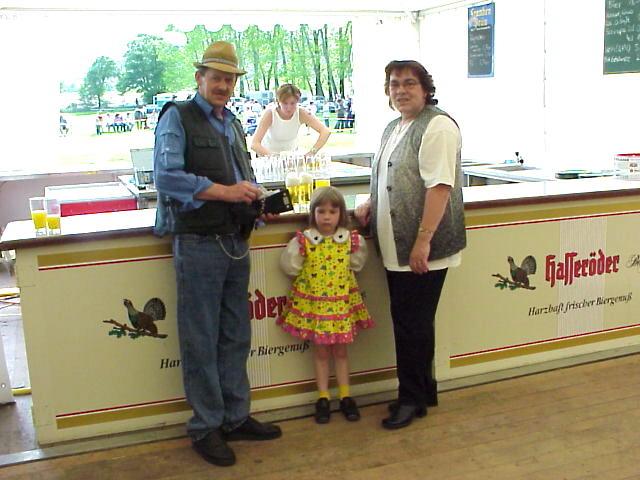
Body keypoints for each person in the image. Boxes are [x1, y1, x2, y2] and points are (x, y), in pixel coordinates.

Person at [153, 40, 282, 467]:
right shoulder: (177, 117)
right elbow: (166, 177)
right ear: (200, 78)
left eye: (229, 79)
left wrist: (255, 201)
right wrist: (228, 192)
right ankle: (205, 426)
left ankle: (234, 417)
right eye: (216, 78)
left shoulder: (233, 123)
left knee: (235, 335)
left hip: (235, 241)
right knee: (201, 338)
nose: (223, 85)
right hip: (198, 242)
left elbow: (241, 176)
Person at [355, 60, 466, 430]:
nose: (400, 90)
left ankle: (410, 398)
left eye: (409, 83)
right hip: (396, 243)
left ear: (426, 89)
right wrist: (370, 201)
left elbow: (440, 187)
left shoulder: (437, 126)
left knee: (411, 324)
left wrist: (423, 241)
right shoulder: (394, 126)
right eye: (394, 84)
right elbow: (390, 176)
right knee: (412, 321)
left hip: (422, 247)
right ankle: (423, 391)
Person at [277, 186, 374, 424]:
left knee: (341, 352)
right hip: (317, 308)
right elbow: (290, 266)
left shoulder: (350, 241)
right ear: (313, 213)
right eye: (321, 211)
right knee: (320, 353)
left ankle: (345, 395)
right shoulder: (305, 241)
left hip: (340, 306)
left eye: (333, 211)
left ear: (341, 214)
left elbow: (357, 264)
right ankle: (323, 397)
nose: (327, 217)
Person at [251, 83, 330, 156]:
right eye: (285, 103)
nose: (289, 108)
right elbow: (254, 144)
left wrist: (312, 152)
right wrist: (274, 157)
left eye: (293, 103)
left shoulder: (301, 113)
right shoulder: (270, 114)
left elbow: (325, 131)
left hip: (291, 157)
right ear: (278, 101)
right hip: (269, 157)